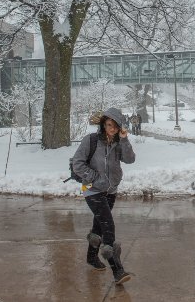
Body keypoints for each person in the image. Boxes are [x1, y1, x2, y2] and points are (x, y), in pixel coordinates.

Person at [72, 107, 136, 285]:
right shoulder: (91, 140)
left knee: (99, 225)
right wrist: (95, 178)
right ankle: (117, 270)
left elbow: (130, 159)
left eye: (115, 126)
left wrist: (124, 140)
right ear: (103, 124)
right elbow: (77, 163)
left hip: (111, 190)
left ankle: (91, 257)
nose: (112, 129)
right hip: (92, 189)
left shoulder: (118, 142)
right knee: (108, 226)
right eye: (109, 125)